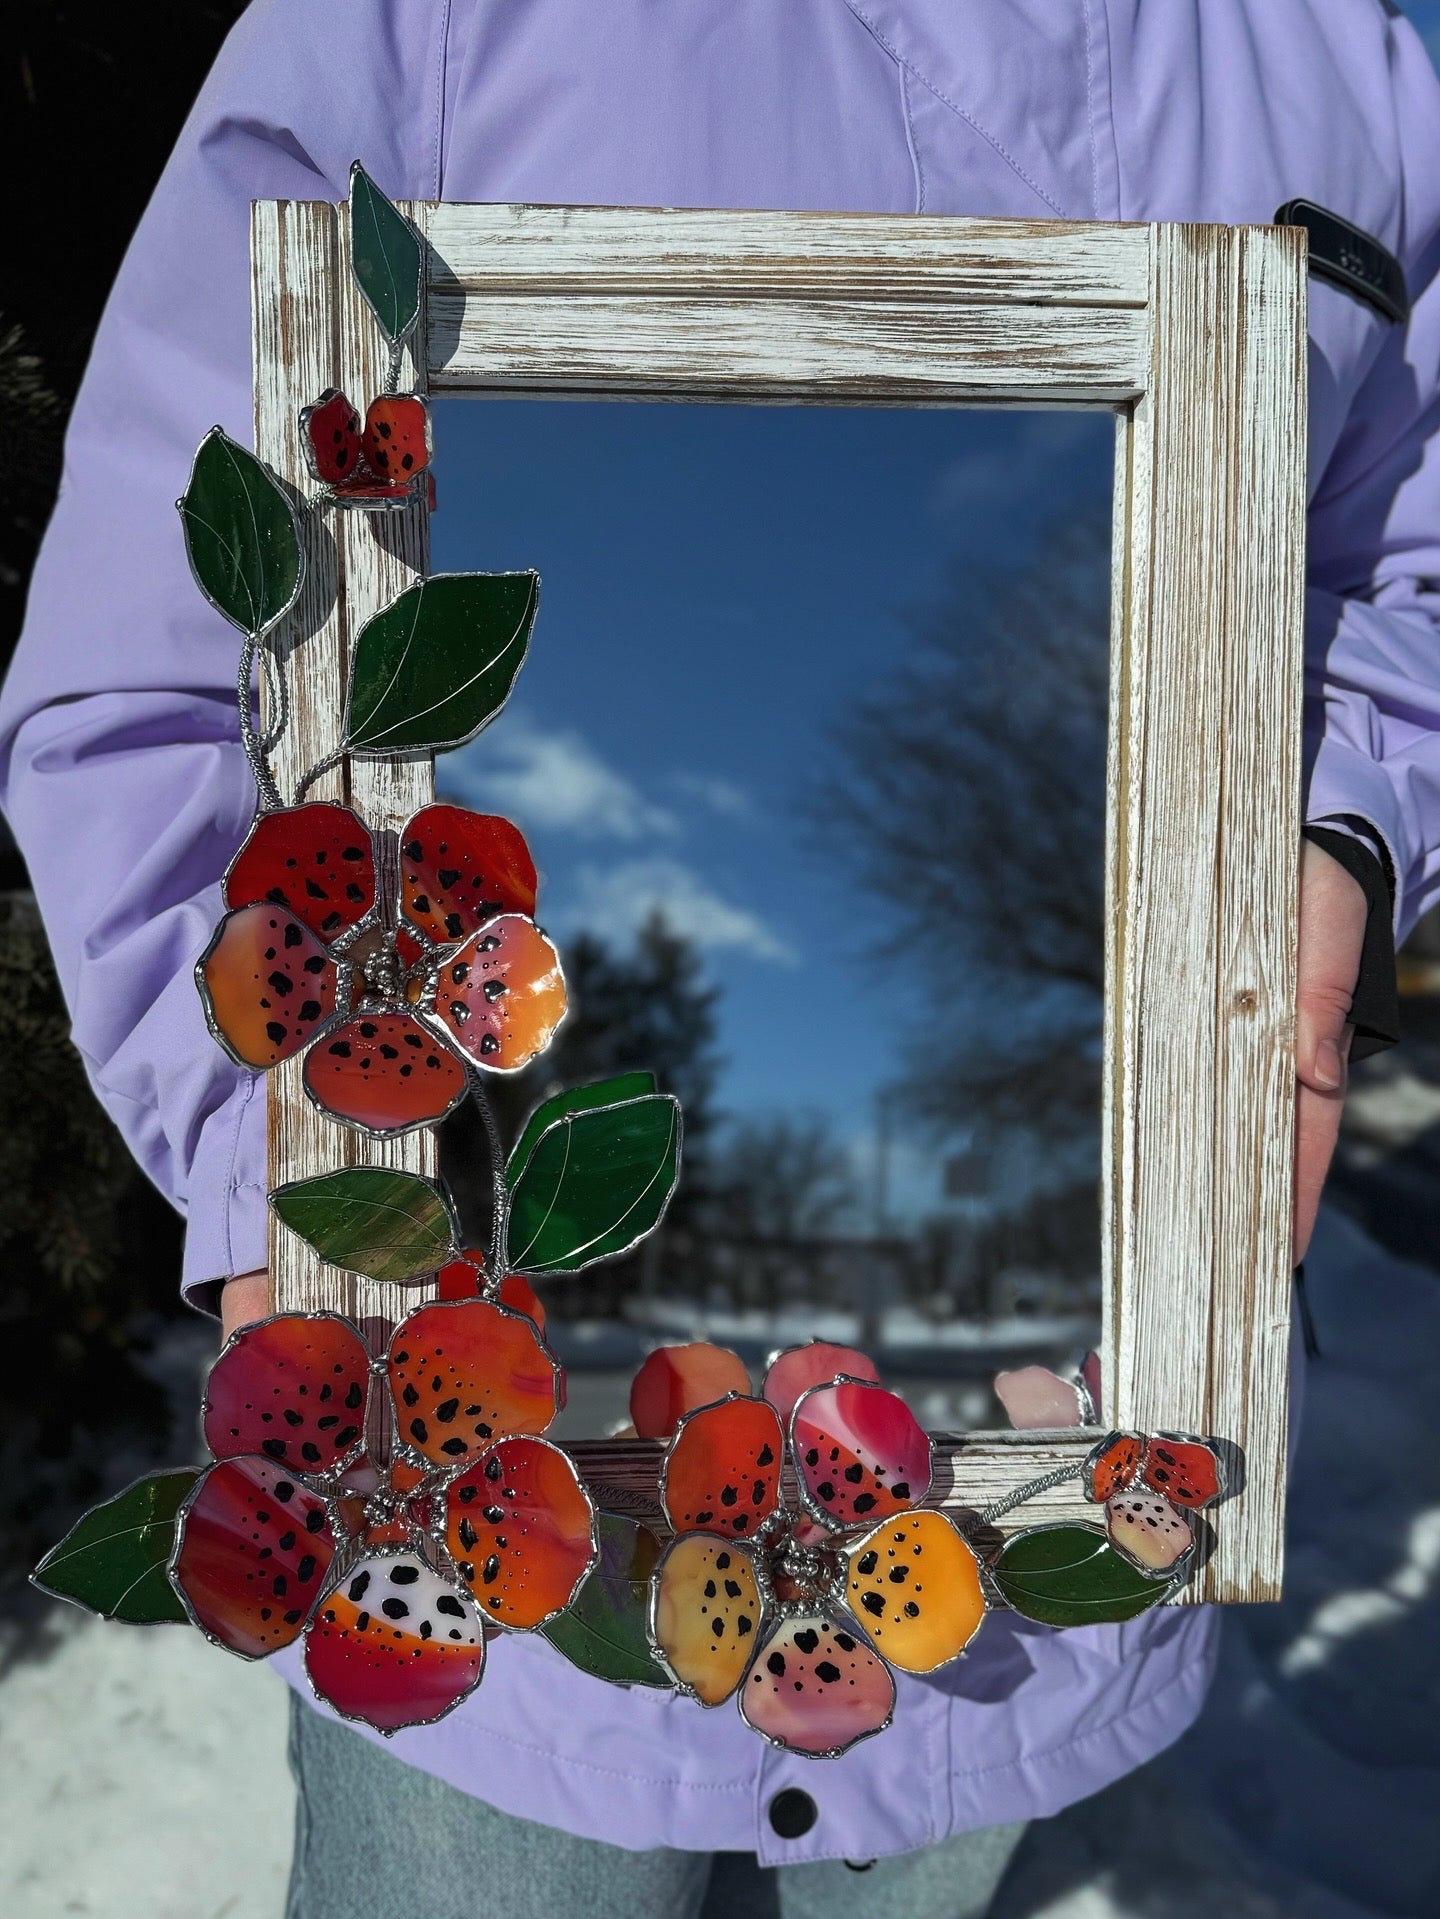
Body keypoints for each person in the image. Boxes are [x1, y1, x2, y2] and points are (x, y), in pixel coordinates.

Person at [2, 3, 1437, 1915]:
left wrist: (1339, 836)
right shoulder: (425, 19)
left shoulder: (1346, 66)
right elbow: (150, 680)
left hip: (1028, 1544)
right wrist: (281, 1175)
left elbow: (1401, 580)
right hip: (500, 1592)